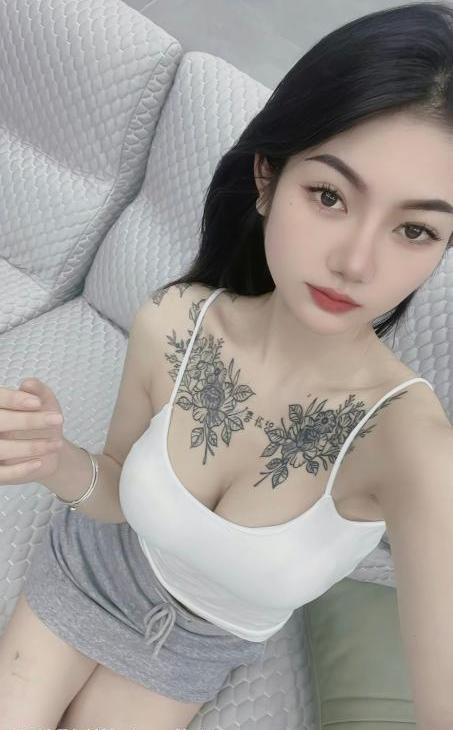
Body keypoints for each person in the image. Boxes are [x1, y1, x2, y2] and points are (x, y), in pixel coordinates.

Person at [1, 3, 453, 729]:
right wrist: (54, 461)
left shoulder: (410, 446)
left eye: (415, 229)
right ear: (267, 179)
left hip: (191, 647)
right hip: (90, 565)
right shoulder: (174, 319)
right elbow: (114, 487)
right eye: (329, 195)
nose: (357, 262)